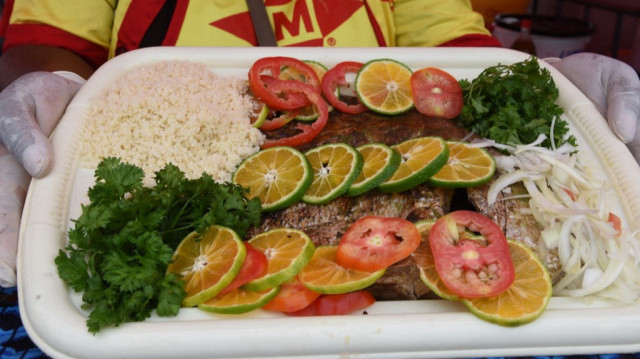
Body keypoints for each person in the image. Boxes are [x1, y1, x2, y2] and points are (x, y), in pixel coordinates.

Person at [0, 0, 638, 288]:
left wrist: (547, 87)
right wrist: (49, 86)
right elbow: (47, 38)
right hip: (173, 151)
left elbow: (454, 62)